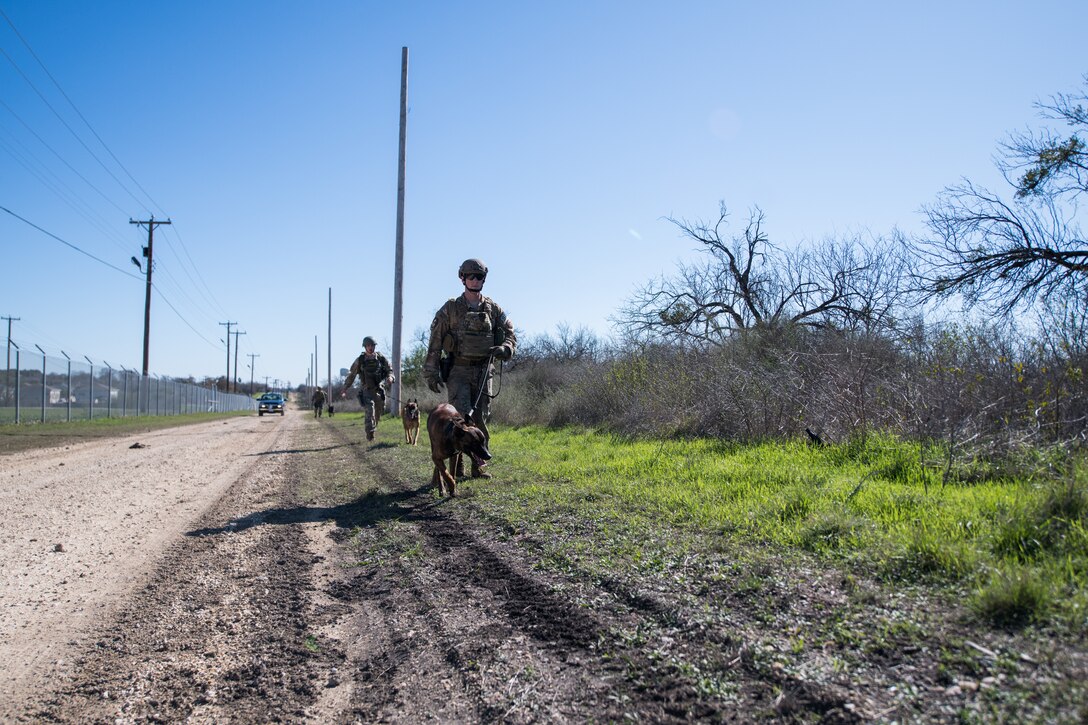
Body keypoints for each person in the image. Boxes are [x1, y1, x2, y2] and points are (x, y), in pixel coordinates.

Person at [423, 258, 516, 478]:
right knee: (461, 419)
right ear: (462, 278)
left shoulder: (493, 309)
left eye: (479, 276)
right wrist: (431, 371)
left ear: (484, 279)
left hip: (484, 371)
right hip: (459, 370)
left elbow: (511, 334)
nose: (475, 280)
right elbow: (435, 341)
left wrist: (505, 348)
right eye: (470, 276)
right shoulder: (451, 309)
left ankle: (478, 466)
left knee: (481, 418)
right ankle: (458, 468)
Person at [341, 336, 394, 441]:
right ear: (365, 347)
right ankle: (370, 435)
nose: (370, 348)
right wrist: (345, 387)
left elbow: (390, 370)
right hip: (366, 389)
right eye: (368, 346)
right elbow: (352, 375)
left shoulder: (380, 358)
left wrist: (390, 377)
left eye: (372, 345)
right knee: (370, 410)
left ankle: (374, 427)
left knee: (379, 410)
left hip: (379, 389)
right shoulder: (360, 360)